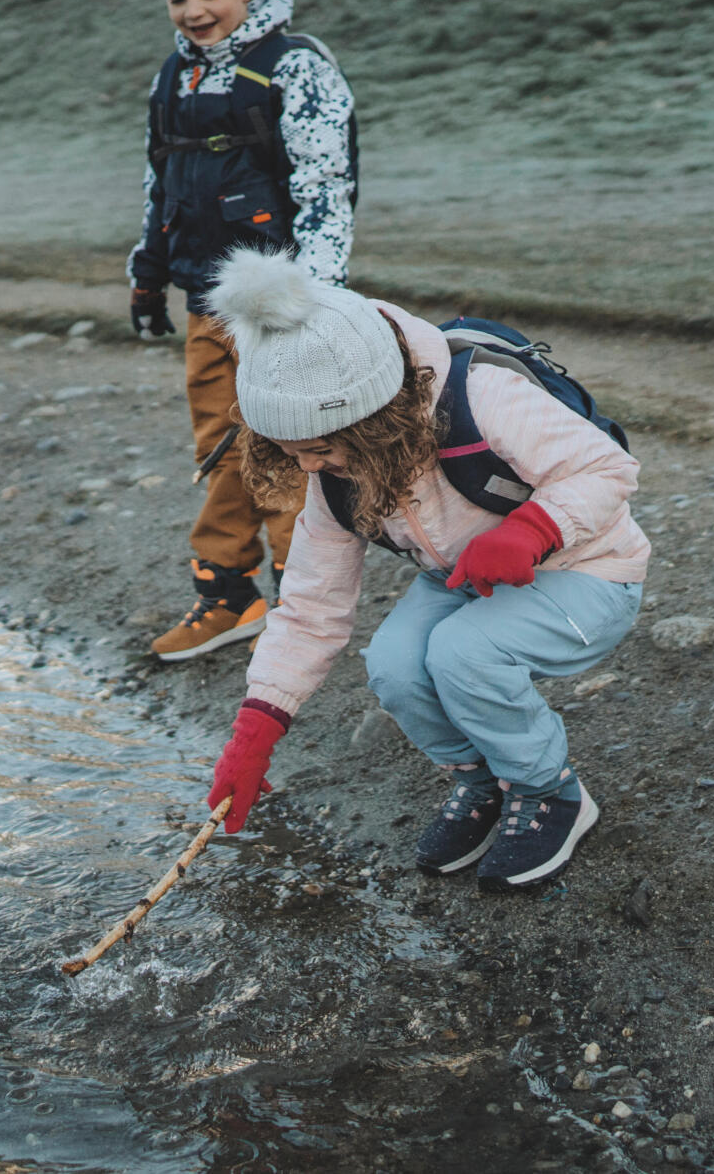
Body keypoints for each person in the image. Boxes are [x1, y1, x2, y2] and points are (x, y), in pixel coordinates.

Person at [202, 248, 648, 892]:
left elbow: (608, 468)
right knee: (394, 663)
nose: (307, 468)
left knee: (463, 654)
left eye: (320, 449)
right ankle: (483, 779)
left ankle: (549, 792)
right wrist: (256, 729)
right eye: (289, 452)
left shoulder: (484, 397)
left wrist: (533, 528)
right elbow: (310, 606)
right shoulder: (334, 476)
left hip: (589, 565)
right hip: (463, 577)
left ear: (374, 421)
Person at [129, 0, 357, 663]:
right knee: (224, 448)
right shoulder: (174, 79)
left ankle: (306, 599)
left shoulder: (294, 68)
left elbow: (326, 186)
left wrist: (319, 295)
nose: (193, 10)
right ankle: (229, 596)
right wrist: (147, 273)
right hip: (203, 300)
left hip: (281, 310)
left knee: (292, 446)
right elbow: (160, 182)